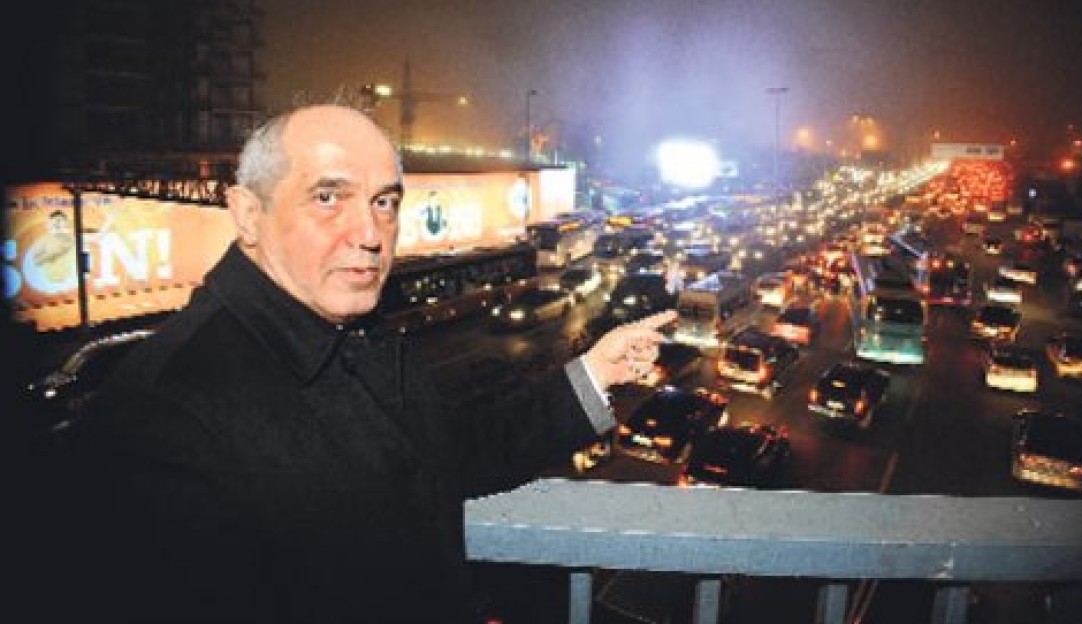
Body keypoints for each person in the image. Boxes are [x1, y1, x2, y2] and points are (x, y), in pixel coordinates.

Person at [35, 103, 675, 624]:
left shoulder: (348, 336)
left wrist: (593, 374)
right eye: (327, 197)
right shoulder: (162, 419)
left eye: (385, 202)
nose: (370, 234)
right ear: (248, 215)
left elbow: (446, 454)